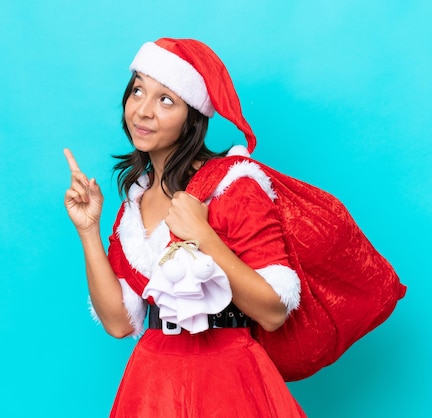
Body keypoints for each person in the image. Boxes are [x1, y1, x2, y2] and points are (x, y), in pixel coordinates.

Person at [64, 38, 306, 417]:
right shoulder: (135, 203)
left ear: (193, 117)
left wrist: (204, 236)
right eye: (138, 91)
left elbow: (274, 312)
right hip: (153, 380)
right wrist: (88, 230)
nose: (143, 111)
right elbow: (118, 322)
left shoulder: (233, 185)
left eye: (166, 100)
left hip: (228, 378)